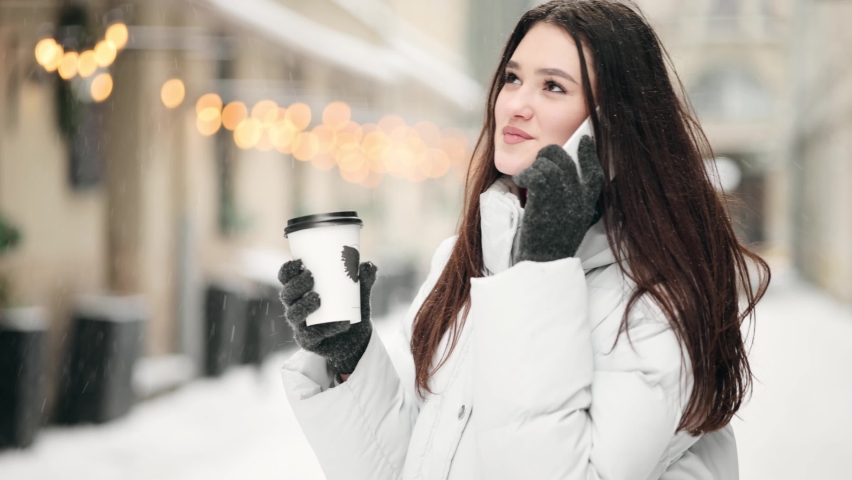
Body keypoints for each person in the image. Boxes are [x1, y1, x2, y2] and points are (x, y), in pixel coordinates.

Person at [278, 1, 770, 479]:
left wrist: (542, 273)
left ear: (612, 130)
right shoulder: (464, 261)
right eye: (512, 78)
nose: (515, 103)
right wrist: (351, 359)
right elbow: (416, 463)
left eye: (553, 86)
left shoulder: (654, 303)